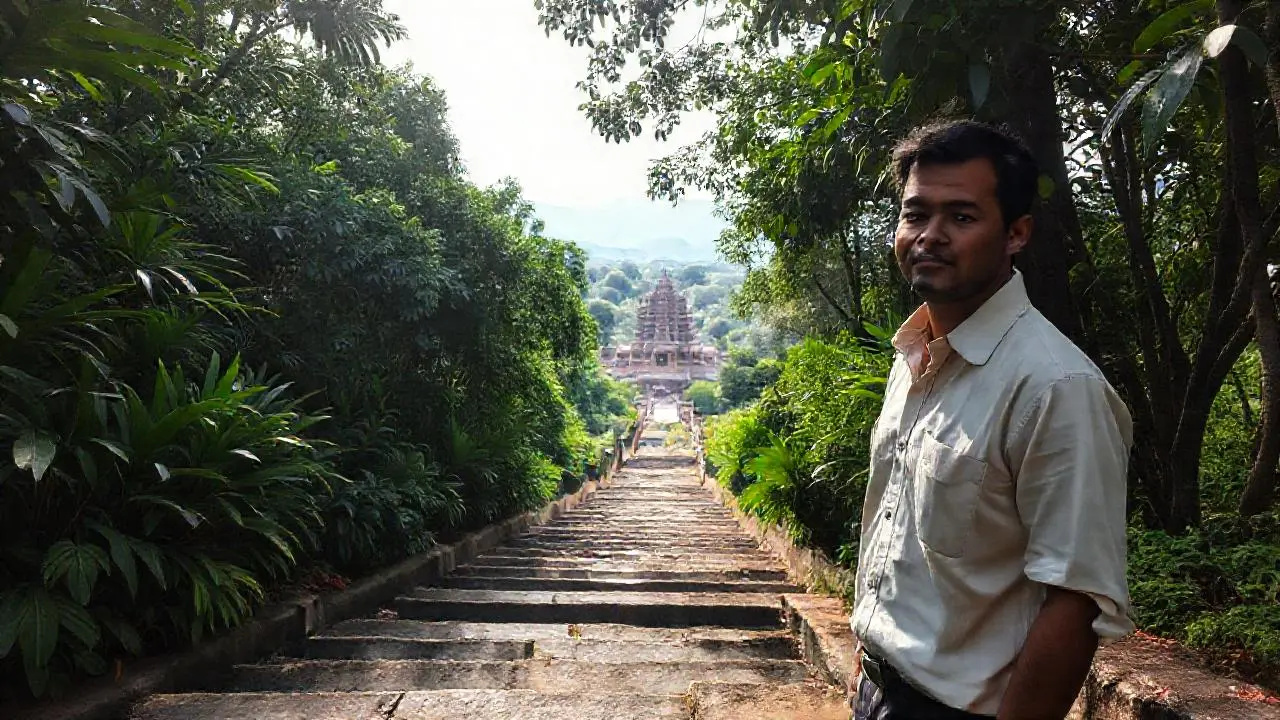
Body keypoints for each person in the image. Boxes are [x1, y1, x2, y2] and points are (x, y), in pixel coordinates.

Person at [851, 120, 1133, 720]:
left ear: (1016, 233)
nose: (929, 236)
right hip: (878, 688)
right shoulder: (916, 355)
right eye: (915, 214)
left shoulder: (1057, 387)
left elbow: (1076, 597)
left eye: (961, 217)